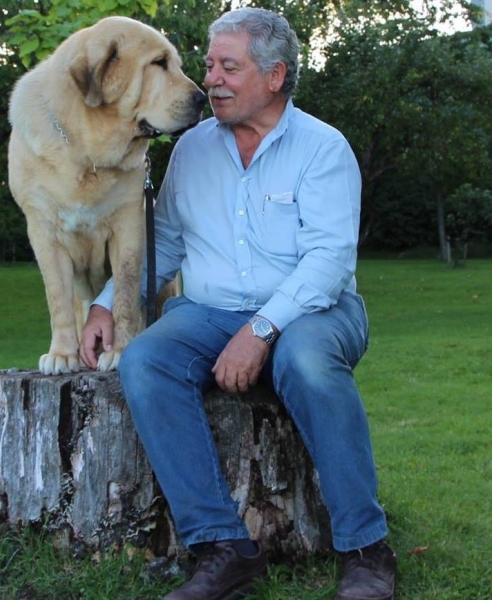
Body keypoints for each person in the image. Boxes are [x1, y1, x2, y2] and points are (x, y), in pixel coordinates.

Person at [79, 7, 397, 600]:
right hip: (209, 312)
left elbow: (328, 265)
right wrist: (105, 304)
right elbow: (166, 243)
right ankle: (223, 548)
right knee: (145, 361)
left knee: (305, 362)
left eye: (229, 67)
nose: (211, 80)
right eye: (209, 65)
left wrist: (260, 330)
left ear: (274, 77)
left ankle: (365, 548)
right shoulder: (191, 150)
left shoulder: (323, 149)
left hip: (314, 312)